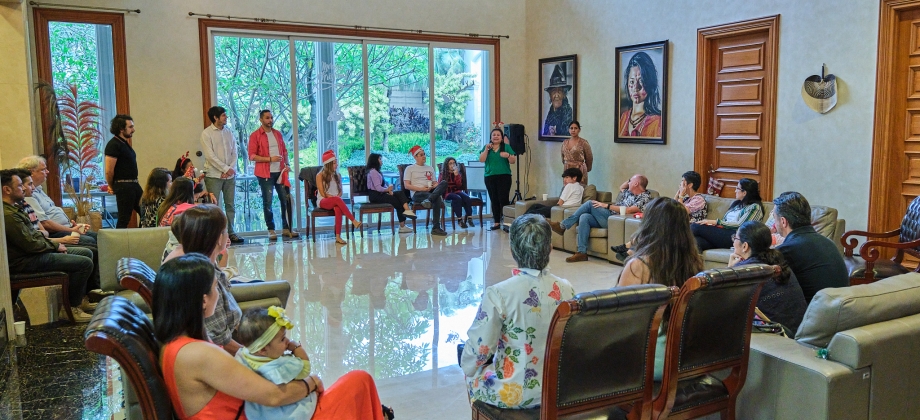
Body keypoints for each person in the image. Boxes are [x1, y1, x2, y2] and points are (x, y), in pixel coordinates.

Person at [155, 253, 390, 420]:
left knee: (357, 387)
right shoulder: (197, 354)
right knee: (359, 381)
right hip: (263, 412)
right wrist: (312, 383)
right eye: (217, 288)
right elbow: (273, 396)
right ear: (203, 299)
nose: (220, 294)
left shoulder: (175, 344)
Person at [461, 214, 575, 409]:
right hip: (559, 389)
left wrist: (468, 365)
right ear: (550, 248)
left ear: (513, 250)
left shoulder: (499, 293)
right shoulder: (566, 288)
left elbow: (480, 351)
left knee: (473, 374)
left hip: (516, 394)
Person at [235, 306, 397, 420]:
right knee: (361, 379)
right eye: (283, 339)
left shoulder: (243, 356)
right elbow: (305, 367)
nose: (287, 342)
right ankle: (377, 413)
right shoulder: (279, 367)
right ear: (263, 349)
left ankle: (376, 412)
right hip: (298, 414)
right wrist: (296, 348)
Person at [617, 197, 704, 380]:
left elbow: (619, 319)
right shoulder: (695, 263)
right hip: (686, 358)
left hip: (649, 362)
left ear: (649, 225)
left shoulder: (638, 266)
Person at [2, 169, 95, 322]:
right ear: (7, 189)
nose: (24, 188)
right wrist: (56, 246)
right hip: (24, 261)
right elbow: (31, 245)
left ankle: (79, 301)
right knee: (84, 263)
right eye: (20, 186)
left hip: (32, 253)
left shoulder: (15, 208)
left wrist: (53, 244)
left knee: (86, 253)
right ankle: (71, 308)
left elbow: (35, 235)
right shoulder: (9, 215)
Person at [163, 204, 244, 355]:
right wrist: (257, 357)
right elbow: (220, 340)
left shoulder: (202, 263)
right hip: (224, 355)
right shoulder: (199, 277)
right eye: (225, 231)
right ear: (219, 238)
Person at [548, 174, 652, 263]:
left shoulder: (645, 197)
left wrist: (606, 206)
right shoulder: (628, 192)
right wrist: (630, 180)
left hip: (614, 219)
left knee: (590, 203)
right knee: (585, 217)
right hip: (606, 217)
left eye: (631, 181)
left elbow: (629, 210)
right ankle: (581, 253)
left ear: (636, 184)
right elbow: (622, 186)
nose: (628, 183)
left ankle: (563, 226)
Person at [728, 221, 808, 333]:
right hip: (798, 332)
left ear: (745, 246)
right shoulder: (780, 262)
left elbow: (725, 303)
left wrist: (730, 269)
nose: (733, 242)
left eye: (735, 238)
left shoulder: (745, 270)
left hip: (775, 336)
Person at [611, 170, 707, 260]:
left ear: (689, 185)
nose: (680, 184)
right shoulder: (687, 199)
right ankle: (629, 250)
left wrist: (681, 195)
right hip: (677, 226)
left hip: (687, 229)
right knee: (651, 228)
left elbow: (682, 211)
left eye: (683, 182)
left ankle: (629, 249)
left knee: (655, 231)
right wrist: (678, 194)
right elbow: (671, 207)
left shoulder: (699, 199)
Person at [772, 192, 849, 302]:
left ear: (783, 221)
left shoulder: (787, 250)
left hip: (813, 316)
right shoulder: (828, 242)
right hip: (841, 312)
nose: (774, 225)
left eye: (774, 218)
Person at [18, 155, 96, 244]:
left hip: (64, 229)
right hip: (54, 234)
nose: (47, 172)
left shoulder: (38, 189)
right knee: (90, 241)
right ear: (31, 172)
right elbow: (44, 224)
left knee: (97, 236)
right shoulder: (28, 196)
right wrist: (71, 229)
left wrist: (73, 226)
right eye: (43, 169)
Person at [201, 105, 244, 243]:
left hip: (230, 176)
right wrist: (225, 169)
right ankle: (216, 235)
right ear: (215, 117)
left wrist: (230, 169)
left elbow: (234, 152)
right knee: (214, 207)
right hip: (214, 175)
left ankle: (231, 233)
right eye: (223, 115)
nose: (226, 118)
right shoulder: (206, 134)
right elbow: (210, 156)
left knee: (230, 205)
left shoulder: (228, 132)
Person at [248, 109, 293, 240]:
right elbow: (252, 156)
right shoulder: (255, 135)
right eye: (267, 118)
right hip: (265, 173)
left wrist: (287, 164)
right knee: (267, 202)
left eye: (271, 118)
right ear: (261, 120)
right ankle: (271, 229)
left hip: (280, 172)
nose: (270, 120)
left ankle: (286, 228)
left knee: (285, 200)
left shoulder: (277, 134)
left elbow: (284, 151)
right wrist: (269, 159)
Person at [691, 178, 764, 251]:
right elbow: (725, 221)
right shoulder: (737, 205)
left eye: (737, 189)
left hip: (736, 237)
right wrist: (715, 225)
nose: (735, 191)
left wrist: (716, 222)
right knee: (697, 242)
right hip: (724, 233)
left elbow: (741, 226)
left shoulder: (755, 207)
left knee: (696, 227)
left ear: (744, 192)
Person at [104, 114, 143, 228]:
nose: (133, 130)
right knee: (124, 218)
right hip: (124, 186)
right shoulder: (113, 145)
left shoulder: (123, 143)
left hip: (133, 184)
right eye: (130, 127)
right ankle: (118, 244)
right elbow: (109, 171)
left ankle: (143, 236)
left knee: (146, 212)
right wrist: (112, 186)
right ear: (121, 129)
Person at [316, 150, 362, 245]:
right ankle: (353, 221)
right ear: (328, 164)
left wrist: (337, 198)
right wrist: (335, 198)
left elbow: (341, 191)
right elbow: (322, 193)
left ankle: (338, 236)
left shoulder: (338, 175)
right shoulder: (319, 176)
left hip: (336, 200)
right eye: (334, 163)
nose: (336, 165)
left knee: (338, 209)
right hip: (323, 200)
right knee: (337, 200)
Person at [366, 152, 416, 233]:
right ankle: (402, 226)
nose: (381, 161)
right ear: (375, 160)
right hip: (375, 195)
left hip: (381, 193)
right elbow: (378, 188)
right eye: (380, 159)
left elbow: (383, 185)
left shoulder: (377, 171)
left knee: (399, 193)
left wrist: (389, 190)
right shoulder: (373, 172)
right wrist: (387, 190)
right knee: (397, 202)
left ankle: (407, 210)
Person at [404, 145, 448, 236]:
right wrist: (421, 188)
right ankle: (436, 227)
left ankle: (429, 200)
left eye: (424, 154)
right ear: (415, 157)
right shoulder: (410, 169)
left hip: (430, 191)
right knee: (437, 199)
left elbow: (435, 183)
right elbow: (407, 185)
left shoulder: (430, 168)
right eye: (421, 155)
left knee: (443, 183)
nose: (424, 156)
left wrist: (433, 186)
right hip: (417, 193)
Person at [479, 129, 517, 231]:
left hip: (504, 176)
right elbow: (481, 159)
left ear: (501, 137)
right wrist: (486, 150)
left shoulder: (506, 147)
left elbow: (513, 161)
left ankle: (506, 223)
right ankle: (496, 222)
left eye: (498, 135)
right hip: (490, 177)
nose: (496, 136)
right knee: (494, 199)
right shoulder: (487, 148)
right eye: (494, 135)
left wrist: (508, 155)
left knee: (503, 199)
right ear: (491, 137)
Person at [618, 51, 663, 138]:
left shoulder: (657, 121)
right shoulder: (624, 117)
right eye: (632, 81)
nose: (636, 87)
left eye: (641, 81)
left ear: (650, 83)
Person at [159, 177, 197, 261]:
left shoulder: (165, 206)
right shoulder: (184, 212)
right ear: (190, 193)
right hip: (177, 246)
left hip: (164, 246)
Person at [439, 156, 474, 228]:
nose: (452, 165)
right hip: (447, 193)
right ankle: (459, 220)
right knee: (457, 198)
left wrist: (456, 175)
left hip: (456, 190)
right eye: (450, 163)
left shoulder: (457, 173)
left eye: (454, 163)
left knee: (466, 197)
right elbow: (440, 185)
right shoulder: (443, 174)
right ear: (447, 165)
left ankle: (469, 218)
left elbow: (459, 185)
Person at [541, 63, 574, 137]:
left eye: (559, 91)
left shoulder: (568, 112)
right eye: (554, 91)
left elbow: (565, 135)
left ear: (564, 94)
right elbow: (545, 133)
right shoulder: (550, 113)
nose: (556, 95)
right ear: (550, 95)